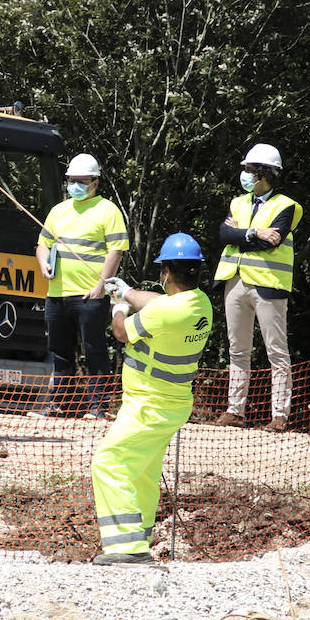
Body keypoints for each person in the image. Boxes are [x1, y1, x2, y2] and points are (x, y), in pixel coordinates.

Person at [91, 233, 213, 565]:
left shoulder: (165, 313)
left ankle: (126, 549)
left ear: (166, 272)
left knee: (109, 463)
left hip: (148, 405)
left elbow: (121, 332)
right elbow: (157, 303)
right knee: (141, 471)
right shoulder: (200, 303)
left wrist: (118, 306)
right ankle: (138, 539)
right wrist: (127, 291)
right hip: (170, 405)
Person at [213, 143, 302, 432]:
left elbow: (271, 241)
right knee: (237, 349)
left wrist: (245, 236)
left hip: (268, 285)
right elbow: (225, 233)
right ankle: (234, 411)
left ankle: (279, 415)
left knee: (276, 351)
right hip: (235, 280)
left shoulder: (288, 206)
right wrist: (252, 232)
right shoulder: (237, 202)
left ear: (264, 173)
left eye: (250, 170)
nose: (245, 175)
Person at [33, 153, 129, 418]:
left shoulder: (107, 210)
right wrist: (43, 263)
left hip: (90, 295)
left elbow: (116, 251)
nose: (75, 185)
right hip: (57, 295)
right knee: (60, 353)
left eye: (81, 181)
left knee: (94, 350)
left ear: (95, 182)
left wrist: (101, 286)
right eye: (71, 180)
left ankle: (98, 407)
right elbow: (43, 245)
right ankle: (58, 404)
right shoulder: (59, 210)